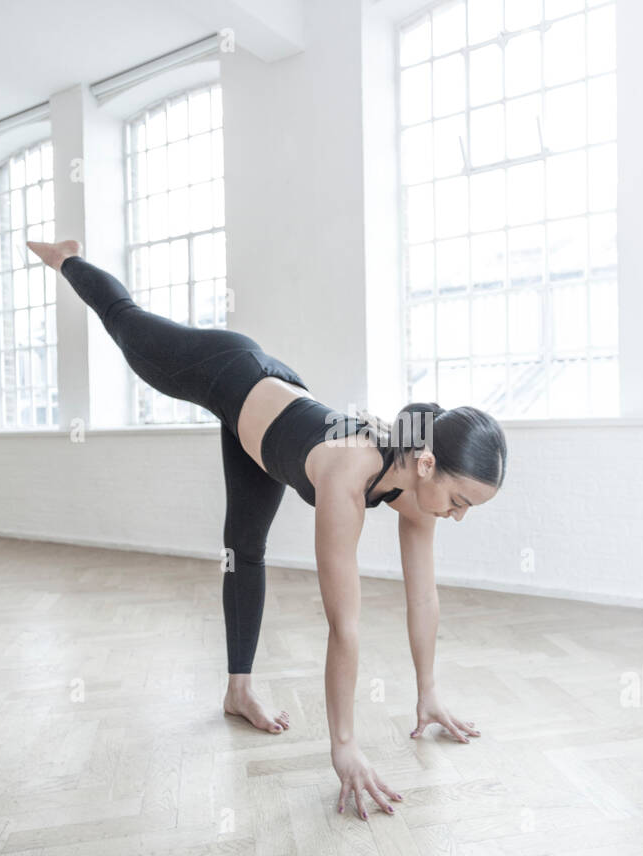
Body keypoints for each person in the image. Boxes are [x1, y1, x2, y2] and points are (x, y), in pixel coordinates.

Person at [28, 240, 507, 819]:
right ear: (428, 464)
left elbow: (423, 597)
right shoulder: (347, 477)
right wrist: (345, 747)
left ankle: (238, 691)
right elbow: (344, 627)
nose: (455, 515)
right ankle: (68, 259)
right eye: (458, 501)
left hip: (269, 422)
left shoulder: (417, 491)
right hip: (227, 370)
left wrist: (427, 692)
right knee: (125, 323)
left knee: (244, 550)